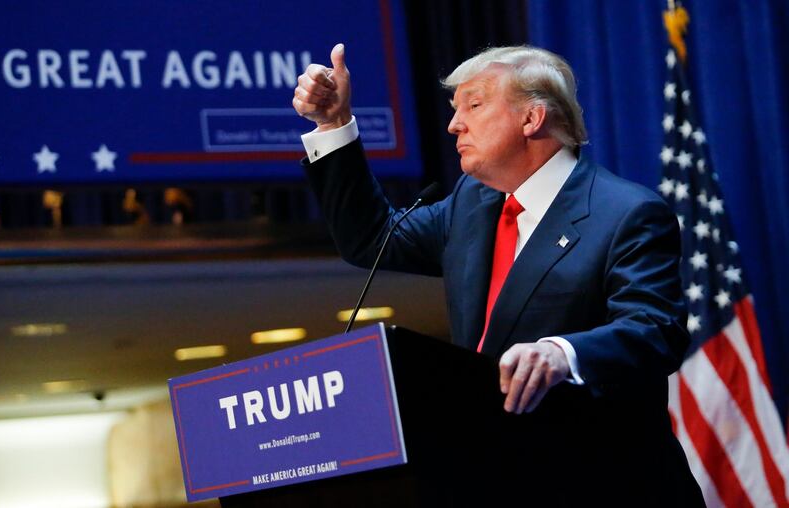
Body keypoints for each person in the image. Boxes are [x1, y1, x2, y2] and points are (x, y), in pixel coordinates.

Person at [293, 43, 705, 506]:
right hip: (498, 481)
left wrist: (562, 354)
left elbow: (656, 328)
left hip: (606, 486)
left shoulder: (626, 213)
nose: (454, 124)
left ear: (532, 119)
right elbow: (373, 239)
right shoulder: (474, 203)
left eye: (474, 104)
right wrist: (332, 125)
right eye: (454, 109)